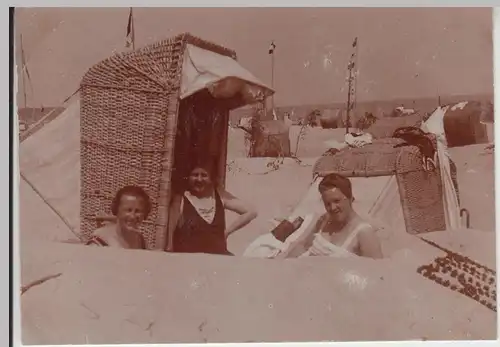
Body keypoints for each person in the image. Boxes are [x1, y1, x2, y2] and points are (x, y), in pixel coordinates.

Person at [167, 161, 258, 255]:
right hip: (190, 261)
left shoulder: (220, 196)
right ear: (188, 177)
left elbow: (251, 211)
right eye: (195, 175)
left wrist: (226, 232)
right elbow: (170, 238)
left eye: (204, 175)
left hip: (217, 259)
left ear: (211, 178)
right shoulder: (180, 200)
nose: (199, 179)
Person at [300, 173, 383, 259]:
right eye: (327, 203)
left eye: (337, 201)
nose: (332, 208)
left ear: (350, 198)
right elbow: (305, 248)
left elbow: (378, 270)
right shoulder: (324, 221)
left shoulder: (364, 233)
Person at [86, 185, 151, 249]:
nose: (132, 216)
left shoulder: (141, 242)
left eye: (138, 211)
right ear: (116, 210)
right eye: (128, 210)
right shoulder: (99, 242)